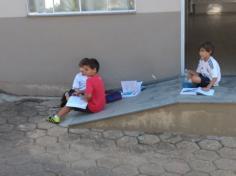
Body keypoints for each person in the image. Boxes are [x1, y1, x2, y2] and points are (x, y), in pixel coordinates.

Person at [48, 58, 106, 124]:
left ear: (94, 69)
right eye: (84, 69)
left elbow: (89, 97)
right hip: (101, 106)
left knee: (70, 104)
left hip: (93, 108)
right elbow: (92, 90)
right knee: (74, 96)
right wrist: (80, 92)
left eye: (87, 70)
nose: (85, 71)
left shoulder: (89, 80)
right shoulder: (98, 78)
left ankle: (56, 118)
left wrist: (83, 99)